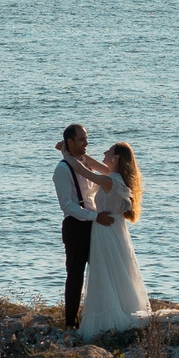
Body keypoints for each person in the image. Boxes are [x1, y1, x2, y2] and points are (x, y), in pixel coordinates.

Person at [61, 138, 179, 339]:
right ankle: (117, 306)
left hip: (106, 232)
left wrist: (66, 155)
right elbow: (91, 164)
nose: (104, 152)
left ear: (116, 157)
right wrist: (74, 152)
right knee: (113, 271)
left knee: (106, 271)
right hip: (111, 231)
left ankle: (111, 314)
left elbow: (84, 171)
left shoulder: (111, 180)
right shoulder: (114, 176)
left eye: (108, 151)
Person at [51, 124, 111, 329]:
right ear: (70, 142)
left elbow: (97, 183)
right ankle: (71, 322)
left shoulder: (84, 163)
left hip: (93, 223)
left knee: (100, 271)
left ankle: (99, 316)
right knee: (75, 275)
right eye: (81, 140)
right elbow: (66, 205)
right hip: (76, 226)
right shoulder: (62, 169)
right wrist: (94, 217)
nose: (86, 143)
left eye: (86, 139)